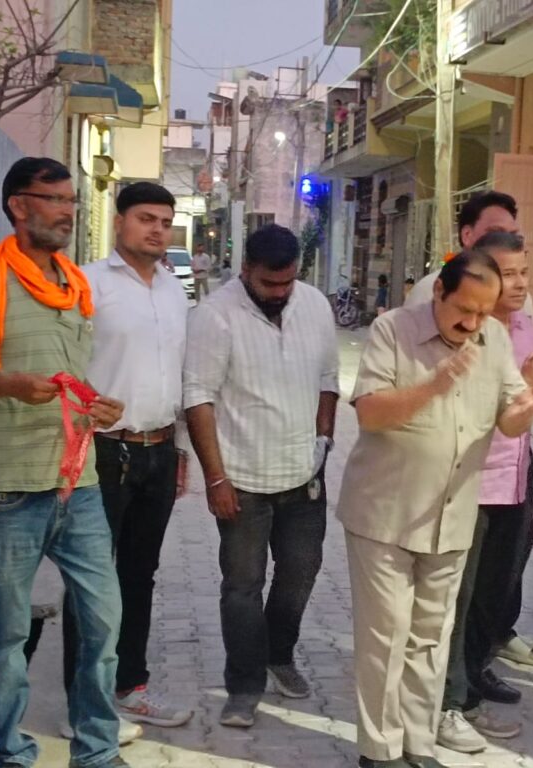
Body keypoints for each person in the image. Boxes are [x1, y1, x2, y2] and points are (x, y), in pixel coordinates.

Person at [0, 157, 128, 768]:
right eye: (55, 199)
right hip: (10, 491)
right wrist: (7, 385)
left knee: (103, 623)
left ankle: (97, 751)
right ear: (18, 205)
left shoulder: (76, 286)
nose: (68, 211)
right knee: (8, 635)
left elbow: (71, 379)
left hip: (79, 482)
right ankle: (9, 752)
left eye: (71, 200)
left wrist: (98, 407)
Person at [338, 249, 533, 768]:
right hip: (386, 514)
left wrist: (532, 400)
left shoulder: (493, 338)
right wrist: (434, 385)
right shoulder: (392, 330)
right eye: (464, 310)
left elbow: (509, 421)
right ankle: (379, 751)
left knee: (431, 638)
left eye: (483, 312)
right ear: (439, 291)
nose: (472, 323)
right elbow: (370, 413)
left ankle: (418, 744)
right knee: (386, 635)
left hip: (453, 514)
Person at [183, 224, 340, 728]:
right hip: (242, 480)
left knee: (301, 572)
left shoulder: (314, 305)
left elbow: (328, 378)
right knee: (242, 586)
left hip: (304, 473)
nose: (279, 292)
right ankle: (244, 686)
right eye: (269, 283)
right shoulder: (214, 316)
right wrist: (216, 479)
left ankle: (279, 654)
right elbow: (198, 398)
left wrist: (324, 438)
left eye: (288, 282)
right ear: (246, 269)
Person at [58, 182, 193, 733]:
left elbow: (178, 375)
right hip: (101, 453)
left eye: (164, 220)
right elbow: (63, 364)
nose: (157, 229)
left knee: (140, 575)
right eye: (145, 218)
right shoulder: (87, 284)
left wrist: (180, 447)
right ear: (119, 222)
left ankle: (130, 687)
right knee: (90, 580)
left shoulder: (174, 290)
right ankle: (81, 705)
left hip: (158, 451)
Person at [436, 233, 533, 754]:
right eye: (508, 274)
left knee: (495, 595)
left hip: (514, 481)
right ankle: (448, 702)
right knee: (458, 600)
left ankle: (471, 683)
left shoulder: (526, 326)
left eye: (524, 273)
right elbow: (462, 408)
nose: (519, 284)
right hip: (471, 481)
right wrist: (527, 383)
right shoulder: (467, 331)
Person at [404, 191, 533, 320]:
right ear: (467, 235)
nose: (506, 241)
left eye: (513, 234)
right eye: (496, 233)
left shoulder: (520, 298)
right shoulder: (432, 291)